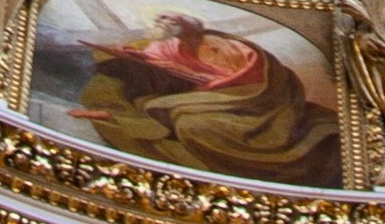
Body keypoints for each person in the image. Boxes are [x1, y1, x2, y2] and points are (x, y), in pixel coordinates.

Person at [67, 13, 339, 182]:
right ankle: (120, 118)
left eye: (171, 22)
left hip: (255, 101)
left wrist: (213, 84)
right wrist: (136, 57)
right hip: (212, 96)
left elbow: (255, 72)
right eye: (162, 21)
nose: (164, 25)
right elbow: (155, 59)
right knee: (153, 104)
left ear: (187, 27)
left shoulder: (218, 46)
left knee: (186, 120)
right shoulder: (170, 46)